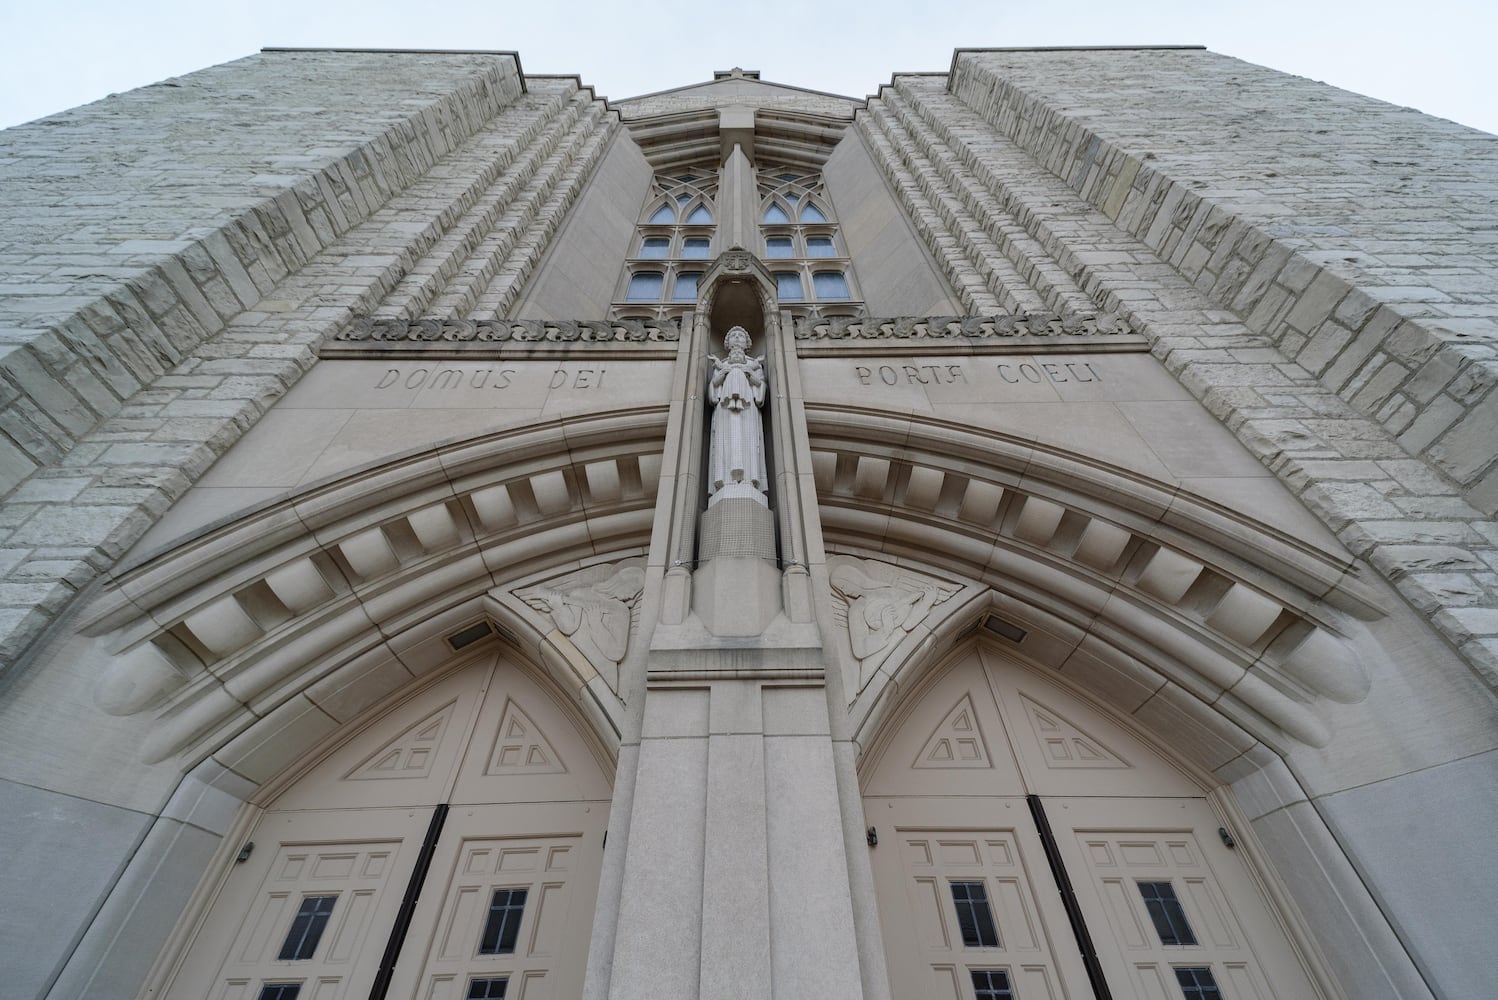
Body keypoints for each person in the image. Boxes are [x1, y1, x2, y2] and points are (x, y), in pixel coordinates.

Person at [706, 326, 768, 504]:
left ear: (748, 343)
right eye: (733, 335)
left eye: (741, 335)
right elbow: (713, 390)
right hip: (725, 410)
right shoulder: (722, 364)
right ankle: (725, 480)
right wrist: (724, 372)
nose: (737, 338)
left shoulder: (754, 364)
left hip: (748, 410)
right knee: (726, 441)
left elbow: (761, 387)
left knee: (748, 441)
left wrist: (749, 373)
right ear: (727, 343)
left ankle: (750, 478)